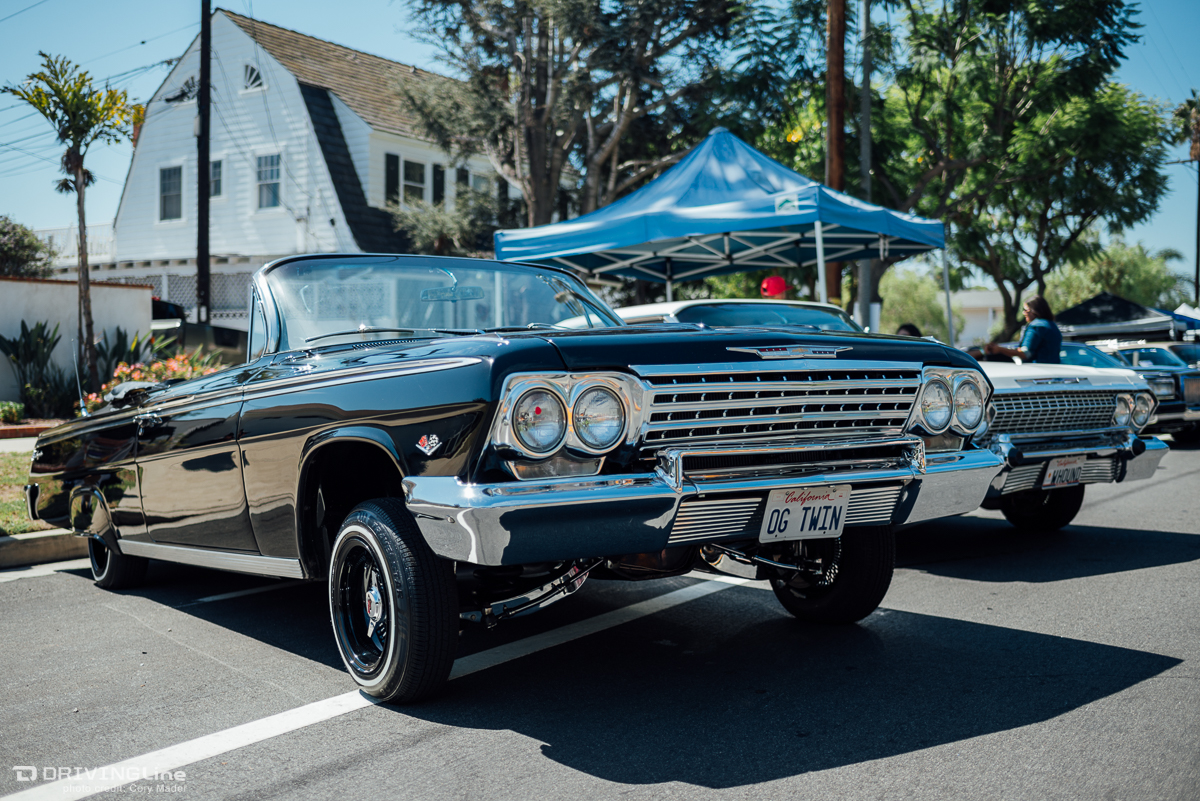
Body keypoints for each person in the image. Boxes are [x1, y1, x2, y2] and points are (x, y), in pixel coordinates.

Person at [985, 295, 1062, 364]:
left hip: (1037, 370)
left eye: (1026, 310)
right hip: (1053, 369)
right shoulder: (1052, 326)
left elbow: (1025, 353)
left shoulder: (1036, 326)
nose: (1023, 313)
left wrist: (1000, 349)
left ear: (1034, 311)